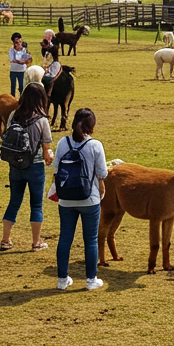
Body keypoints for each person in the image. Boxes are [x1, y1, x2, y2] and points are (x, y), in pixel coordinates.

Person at [54, 108, 108, 291]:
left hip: (66, 199)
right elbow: (102, 173)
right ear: (91, 126)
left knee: (65, 238)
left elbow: (56, 168)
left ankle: (62, 279)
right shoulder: (95, 145)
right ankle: (91, 279)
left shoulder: (63, 142)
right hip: (89, 199)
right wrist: (101, 185)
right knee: (90, 239)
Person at [0, 84, 53, 252]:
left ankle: (5, 240)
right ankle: (36, 242)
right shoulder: (42, 120)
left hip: (15, 165)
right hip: (35, 166)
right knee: (36, 205)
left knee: (14, 201)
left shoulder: (13, 116)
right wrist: (50, 157)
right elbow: (47, 148)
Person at [7, 32, 33, 97]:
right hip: (13, 71)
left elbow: (30, 59)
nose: (19, 44)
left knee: (22, 87)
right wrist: (23, 60)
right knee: (13, 87)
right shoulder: (11, 51)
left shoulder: (24, 50)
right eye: (17, 42)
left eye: (20, 42)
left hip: (22, 71)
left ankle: (22, 99)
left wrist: (23, 61)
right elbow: (13, 59)